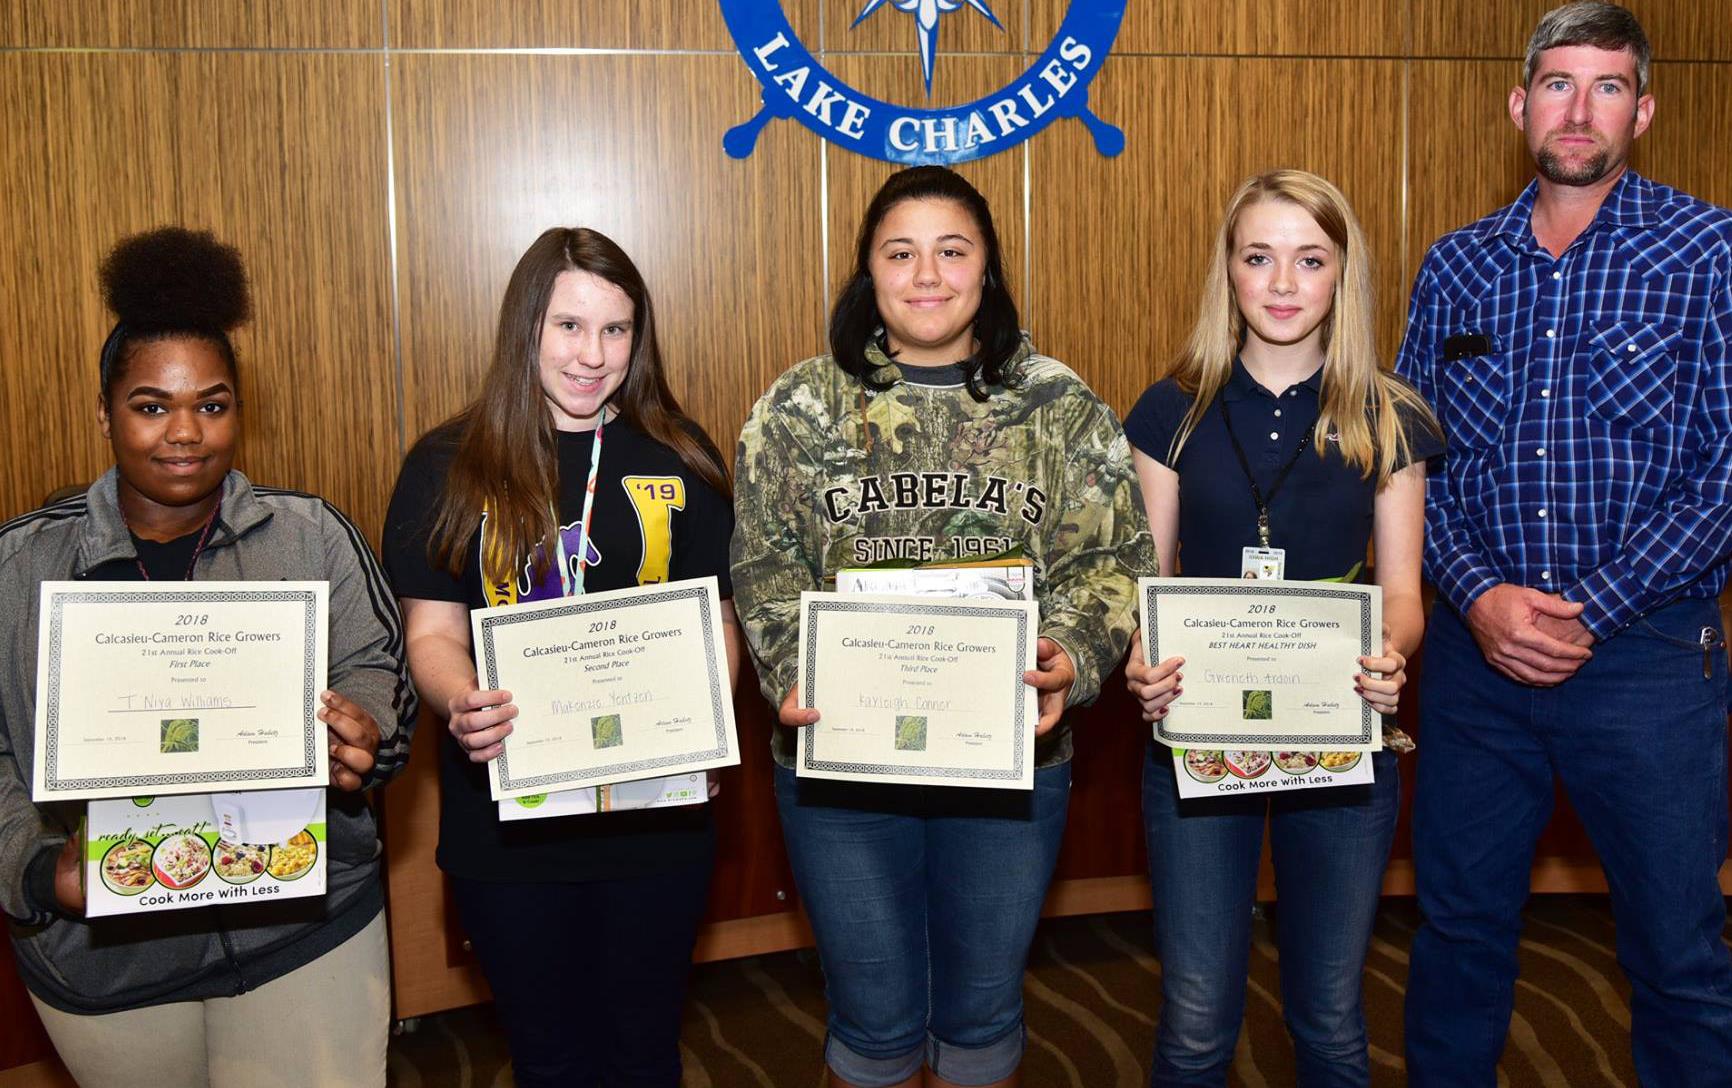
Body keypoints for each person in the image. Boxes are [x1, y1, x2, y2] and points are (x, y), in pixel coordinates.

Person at [731, 166, 1153, 1088]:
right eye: (901, 251)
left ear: (988, 268)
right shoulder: (798, 410)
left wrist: (1069, 659)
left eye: (952, 250)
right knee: (875, 1024)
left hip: (1006, 767)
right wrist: (791, 670)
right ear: (868, 273)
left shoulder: (1061, 406)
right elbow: (763, 565)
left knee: (981, 1013)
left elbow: (1115, 561)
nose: (928, 273)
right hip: (840, 766)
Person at [1394, 4, 1732, 1084]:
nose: (1576, 109)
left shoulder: (1709, 252)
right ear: (1517, 103)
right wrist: (1483, 596)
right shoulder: (1455, 267)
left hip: (1646, 663)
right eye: (1555, 84)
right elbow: (1406, 467)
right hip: (1473, 665)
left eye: (1604, 86)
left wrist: (1591, 601)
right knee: (1454, 938)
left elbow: (1726, 470)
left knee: (1677, 952)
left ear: (1643, 108)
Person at [0, 227, 415, 1087]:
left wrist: (362, 728)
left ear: (239, 410)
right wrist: (38, 869)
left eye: (213, 404)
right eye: (152, 405)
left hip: (306, 926)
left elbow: (378, 668)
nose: (185, 432)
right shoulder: (20, 568)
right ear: (106, 411)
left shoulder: (312, 537)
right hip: (110, 960)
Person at [383, 226, 740, 1088]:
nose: (592, 354)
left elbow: (719, 623)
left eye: (615, 330)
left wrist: (708, 716)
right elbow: (431, 634)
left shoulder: (680, 455)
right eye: (568, 327)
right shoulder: (448, 463)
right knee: (549, 1057)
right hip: (509, 820)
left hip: (654, 816)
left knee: (646, 1050)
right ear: (525, 330)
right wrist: (461, 700)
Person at [1120, 170, 1441, 1086]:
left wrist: (1393, 655)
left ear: (1343, 276)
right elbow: (1149, 583)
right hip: (1195, 730)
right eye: (1259, 258)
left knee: (1333, 1014)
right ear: (1229, 271)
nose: (1284, 282)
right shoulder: (1169, 410)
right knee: (1192, 1018)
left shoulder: (1390, 415)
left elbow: (1405, 595)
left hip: (1343, 731)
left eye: (1311, 259)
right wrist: (1142, 660)